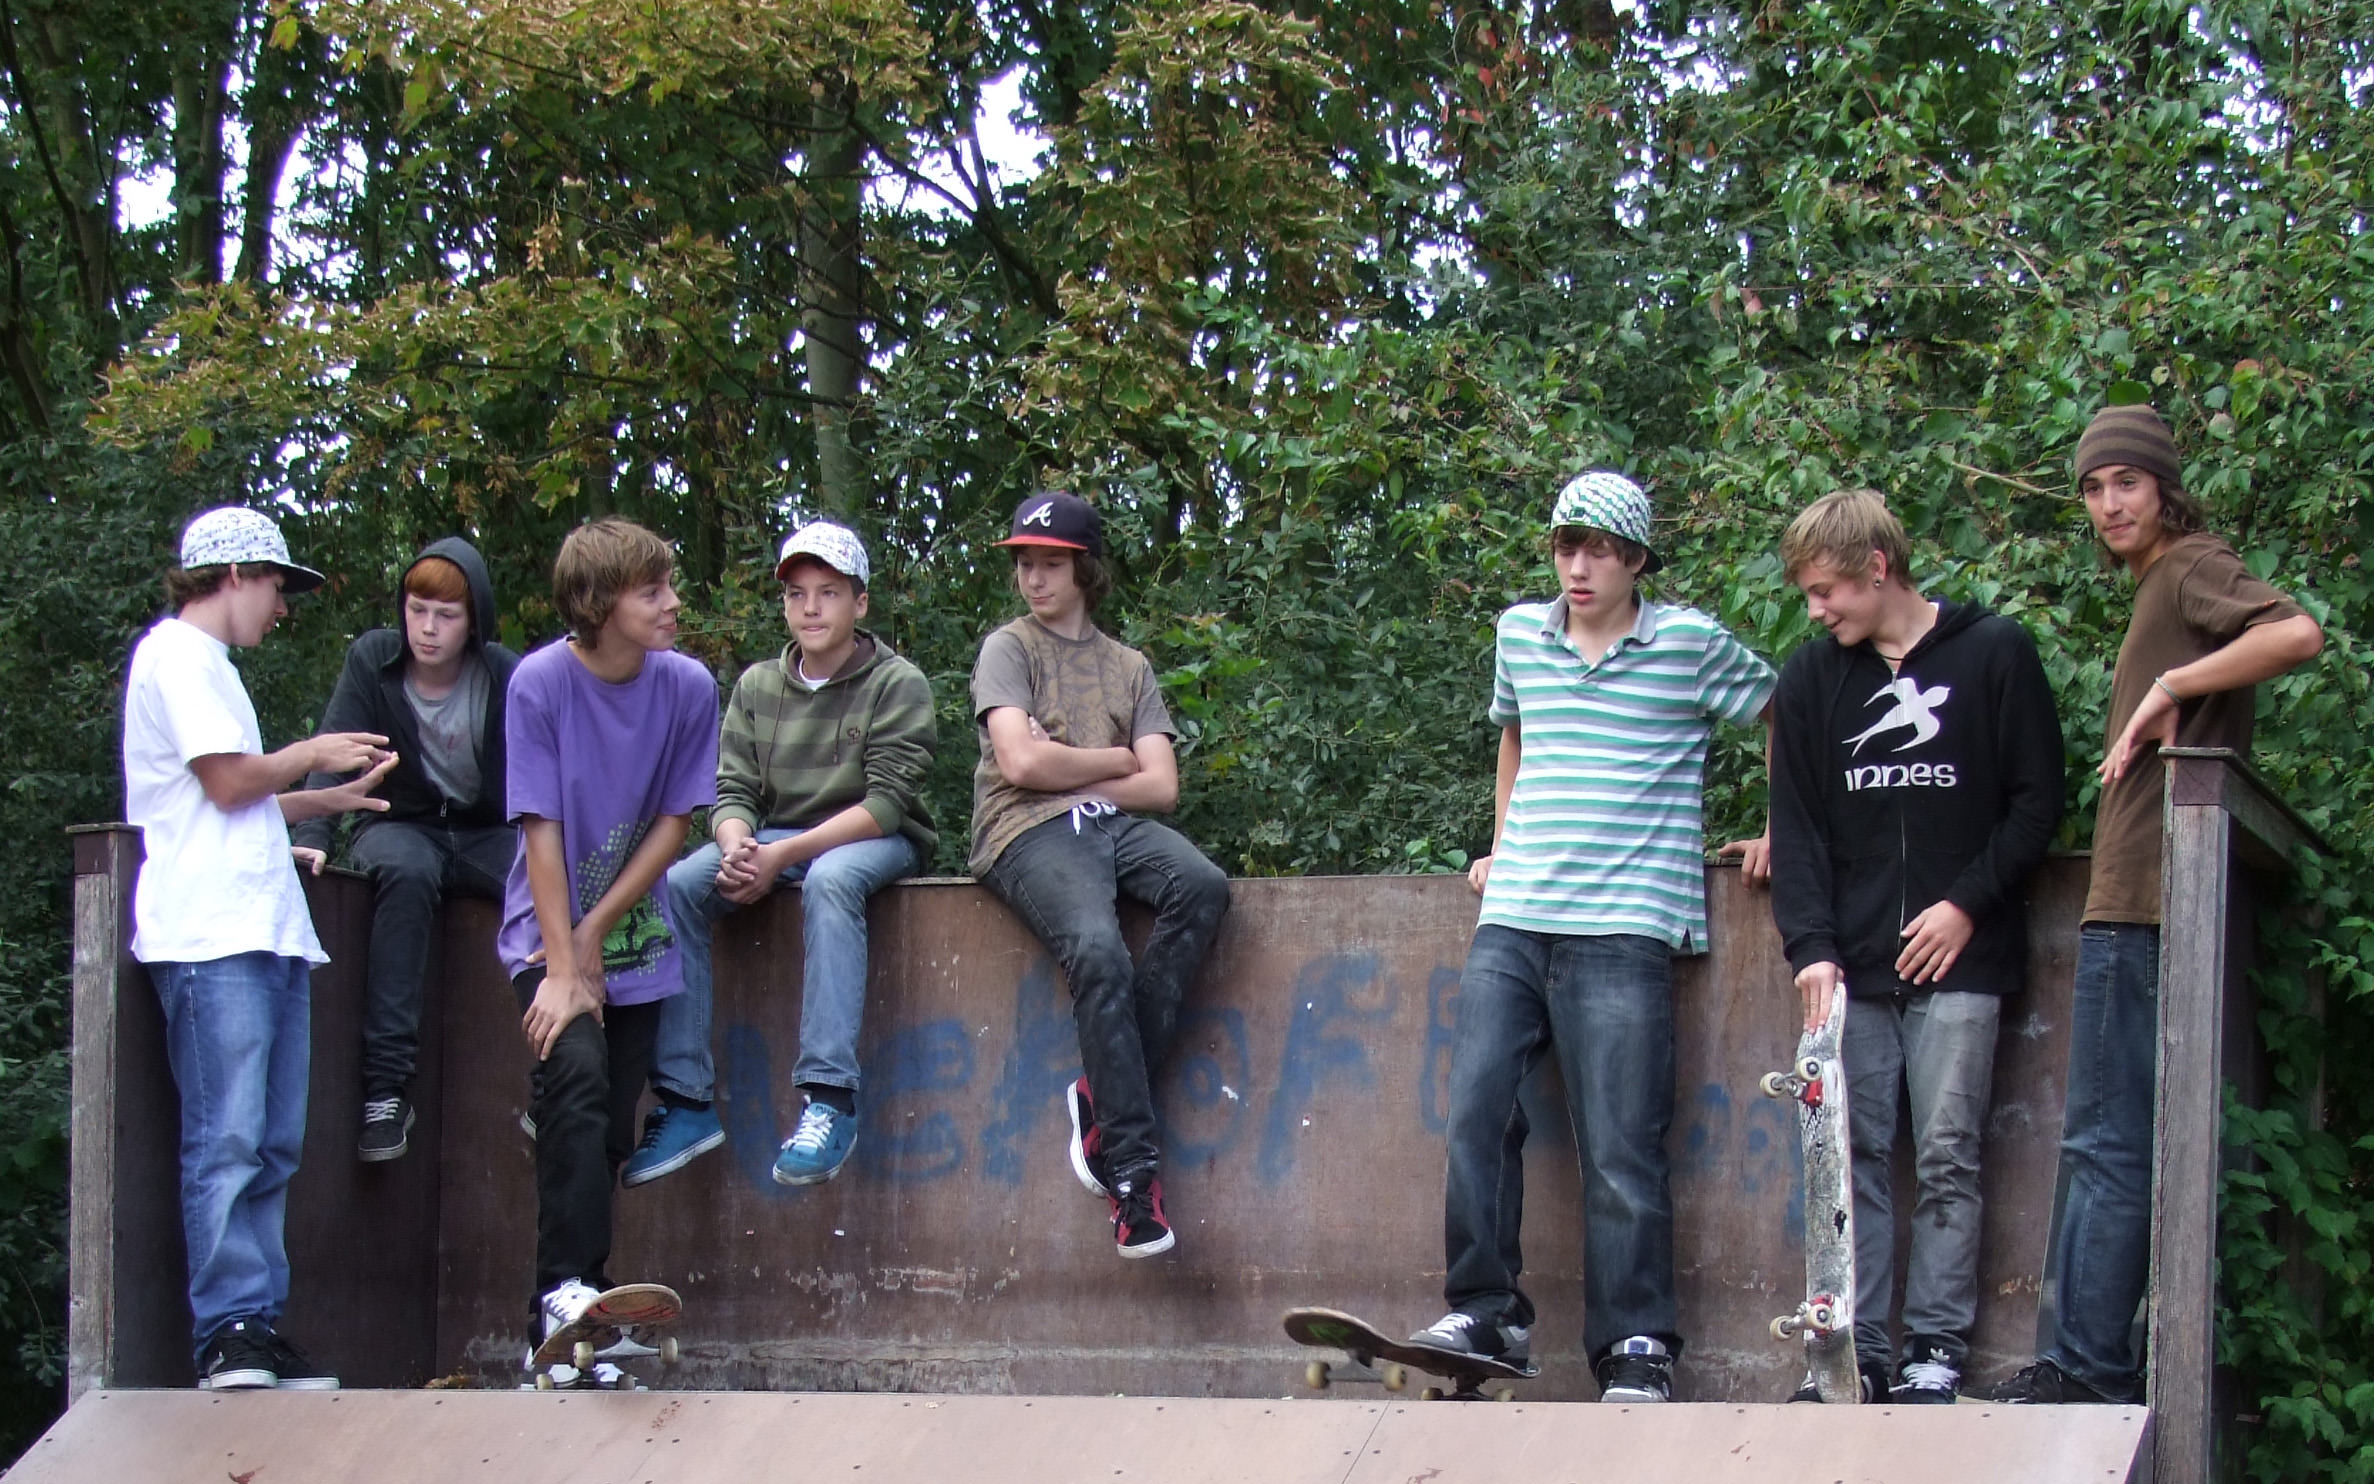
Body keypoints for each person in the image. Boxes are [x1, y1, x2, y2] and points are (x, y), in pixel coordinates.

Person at [1414, 470, 1775, 1404]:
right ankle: (1488, 1312)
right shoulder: (1519, 634)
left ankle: (1636, 1345)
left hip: (1625, 924)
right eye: (1566, 548)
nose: (1578, 567)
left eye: (1600, 551)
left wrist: (1786, 830)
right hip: (1516, 915)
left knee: (1620, 1145)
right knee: (1477, 1111)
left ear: (1637, 559)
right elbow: (1515, 737)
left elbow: (1786, 716)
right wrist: (1502, 846)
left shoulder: (1687, 643)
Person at [1986, 405, 2322, 1404]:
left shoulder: (2189, 567)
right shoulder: (2159, 585)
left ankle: (2087, 1369)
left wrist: (2171, 684)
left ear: (2165, 488)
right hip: (2128, 894)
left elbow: (2297, 632)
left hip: (2147, 897)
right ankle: (2076, 1359)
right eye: (2092, 488)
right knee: (2098, 1137)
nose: (2107, 504)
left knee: (2109, 1141)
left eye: (2125, 482)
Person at [1765, 488, 2064, 1403]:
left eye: (1826, 591)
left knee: (1947, 1157)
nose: (1817, 611)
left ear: (1877, 567)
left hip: (1963, 961)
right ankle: (1856, 1354)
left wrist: (1965, 905)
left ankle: (1934, 1351)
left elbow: (2038, 803)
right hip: (1848, 971)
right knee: (1848, 1159)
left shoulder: (1995, 651)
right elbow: (1797, 828)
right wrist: (1810, 948)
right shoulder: (1811, 679)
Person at [124, 506, 398, 1390]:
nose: (282, 608)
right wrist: (311, 751)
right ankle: (226, 1332)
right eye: (278, 587)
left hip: (264, 928)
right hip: (210, 936)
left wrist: (324, 802)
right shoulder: (176, 654)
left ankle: (259, 1327)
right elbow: (226, 780)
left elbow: (229, 801)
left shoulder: (214, 669)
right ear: (235, 574)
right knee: (228, 1138)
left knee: (275, 1142)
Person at [968, 490, 1231, 1259]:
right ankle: (1133, 1177)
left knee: (1202, 886)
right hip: (1024, 829)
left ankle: (1101, 1096)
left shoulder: (1128, 667)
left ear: (1085, 570)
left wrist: (1070, 763)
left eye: (1050, 564)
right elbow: (1020, 765)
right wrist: (1116, 757)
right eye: (1024, 563)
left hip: (1110, 824)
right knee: (1098, 950)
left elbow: (1162, 786)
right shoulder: (1008, 649)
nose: (1033, 578)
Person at [636, 521, 937, 1187]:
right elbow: (732, 792)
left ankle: (830, 1099)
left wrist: (782, 856)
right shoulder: (757, 686)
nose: (810, 608)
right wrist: (737, 846)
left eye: (828, 592)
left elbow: (886, 805)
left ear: (860, 602)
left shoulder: (897, 682)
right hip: (778, 838)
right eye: (797, 594)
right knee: (677, 886)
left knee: (830, 879)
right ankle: (686, 1101)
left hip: (874, 839)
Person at [494, 518, 718, 1385]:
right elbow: (540, 827)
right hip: (543, 933)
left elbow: (674, 822)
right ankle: (563, 1295)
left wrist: (598, 932)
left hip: (633, 939)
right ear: (598, 603)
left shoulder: (687, 686)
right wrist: (562, 964)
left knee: (608, 1123)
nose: (672, 603)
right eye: (651, 591)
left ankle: (568, 1332)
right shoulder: (540, 683)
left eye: (668, 585)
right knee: (577, 1074)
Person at [291, 539, 520, 1162]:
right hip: (400, 825)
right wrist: (311, 839)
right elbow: (333, 751)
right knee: (407, 873)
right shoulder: (374, 660)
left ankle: (557, 1075)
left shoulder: (505, 673)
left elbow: (548, 772)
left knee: (545, 884)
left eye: (446, 615)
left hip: (486, 832)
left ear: (473, 619)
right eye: (417, 610)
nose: (428, 628)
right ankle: (386, 1091)